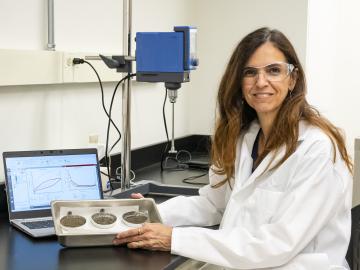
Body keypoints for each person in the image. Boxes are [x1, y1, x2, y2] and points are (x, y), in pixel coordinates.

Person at [113, 27, 353, 270]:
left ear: (293, 78)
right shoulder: (243, 137)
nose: (261, 82)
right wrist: (149, 214)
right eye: (250, 72)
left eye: (274, 70)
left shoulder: (317, 149)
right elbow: (214, 203)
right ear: (239, 82)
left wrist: (173, 238)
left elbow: (278, 244)